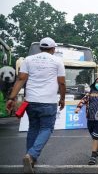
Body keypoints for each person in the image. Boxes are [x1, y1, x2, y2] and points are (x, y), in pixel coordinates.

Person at [6, 37, 66, 173]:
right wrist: (62, 98)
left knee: (33, 128)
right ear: (53, 49)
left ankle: (30, 159)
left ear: (40, 48)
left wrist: (11, 98)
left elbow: (21, 79)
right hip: (48, 101)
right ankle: (31, 155)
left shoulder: (28, 59)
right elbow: (62, 83)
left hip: (30, 101)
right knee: (46, 128)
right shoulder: (57, 61)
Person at [75, 76, 98, 165]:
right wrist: (78, 108)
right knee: (93, 135)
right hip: (90, 117)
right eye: (97, 82)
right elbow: (83, 100)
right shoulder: (90, 92)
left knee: (96, 136)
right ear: (94, 83)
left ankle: (93, 156)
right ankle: (97, 148)